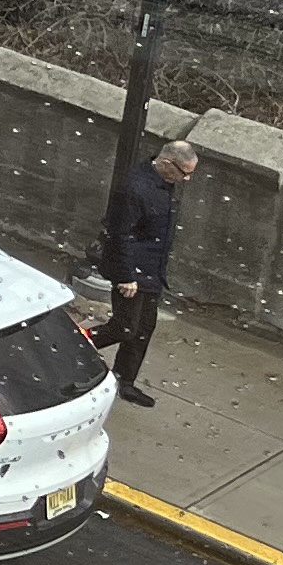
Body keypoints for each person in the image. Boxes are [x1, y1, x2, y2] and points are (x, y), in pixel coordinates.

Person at [93, 140, 197, 407]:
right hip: (132, 271)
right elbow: (120, 235)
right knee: (125, 327)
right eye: (183, 172)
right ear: (165, 164)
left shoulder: (165, 184)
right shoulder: (135, 188)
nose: (186, 179)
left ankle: (125, 380)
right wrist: (127, 275)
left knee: (143, 329)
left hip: (151, 269)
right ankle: (78, 345)